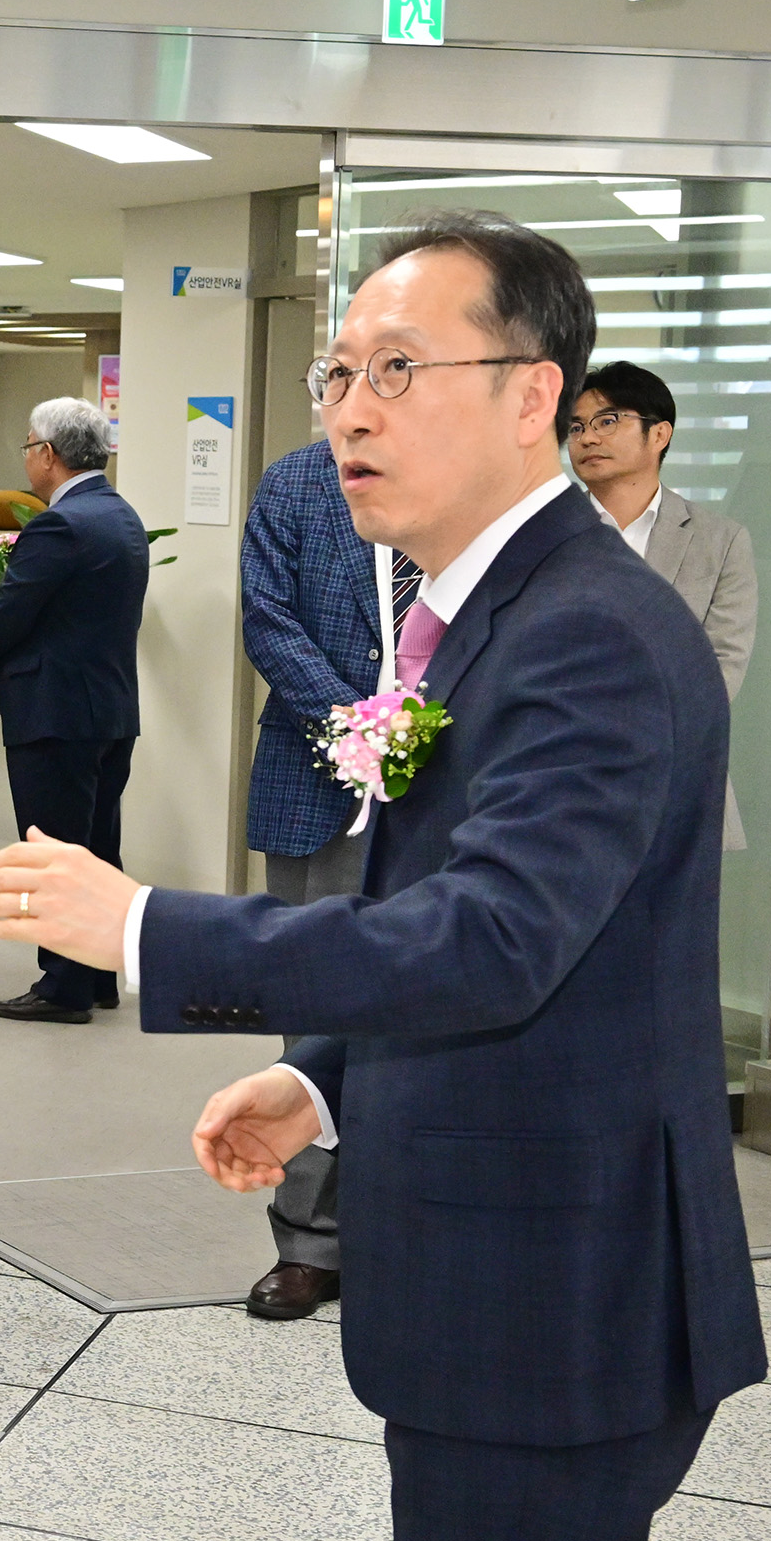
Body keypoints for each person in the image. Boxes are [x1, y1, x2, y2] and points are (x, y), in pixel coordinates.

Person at [0, 210, 764, 1541]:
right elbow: (509, 932)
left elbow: (492, 942)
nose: (349, 410)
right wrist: (321, 1086)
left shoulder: (584, 630)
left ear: (536, 396)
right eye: (337, 375)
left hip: (559, 1298)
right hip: (511, 1268)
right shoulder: (485, 614)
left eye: (399, 368)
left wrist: (138, 926)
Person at [235, 437, 417, 1321]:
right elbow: (266, 618)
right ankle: (309, 1243)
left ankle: (410, 1226)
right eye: (342, 375)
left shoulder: (462, 465)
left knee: (434, 1009)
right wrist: (358, 722)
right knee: (314, 1008)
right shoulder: (298, 482)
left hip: (451, 773)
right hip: (320, 773)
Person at [0, 396, 147, 1022]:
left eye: (28, 446)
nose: (27, 458)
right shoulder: (120, 515)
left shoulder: (60, 524)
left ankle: (64, 986)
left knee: (50, 849)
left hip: (55, 713)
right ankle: (95, 975)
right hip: (109, 712)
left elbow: (12, 611)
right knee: (95, 847)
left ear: (48, 454)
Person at [569, 359, 755, 850]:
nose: (588, 438)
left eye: (608, 421)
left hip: (674, 776)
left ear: (660, 435)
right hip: (558, 773)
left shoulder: (721, 541)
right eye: (575, 427)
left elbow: (723, 665)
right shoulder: (542, 532)